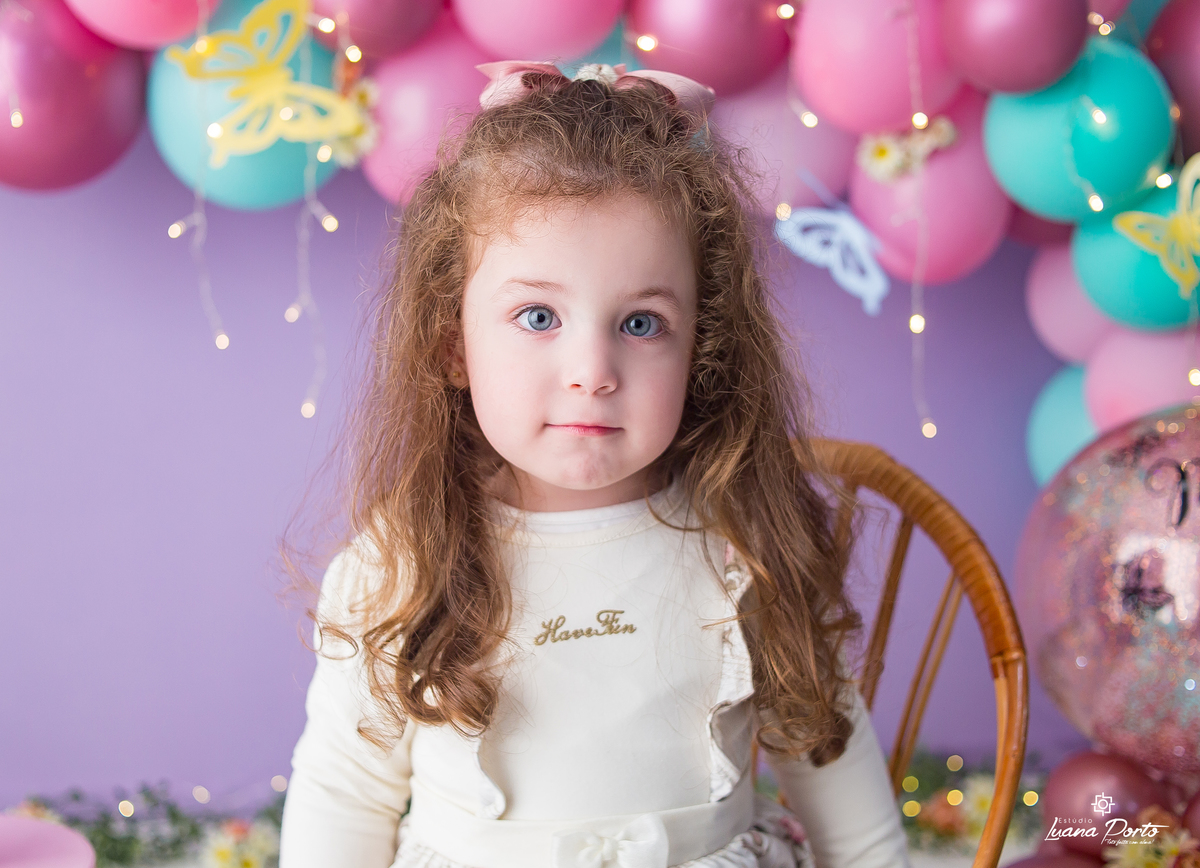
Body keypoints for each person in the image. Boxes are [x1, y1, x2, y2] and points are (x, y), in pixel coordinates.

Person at [277, 59, 912, 868]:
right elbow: (345, 793)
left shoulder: (744, 540)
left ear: (703, 349)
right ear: (452, 344)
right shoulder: (402, 558)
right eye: (539, 316)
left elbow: (835, 774)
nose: (592, 371)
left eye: (641, 324)